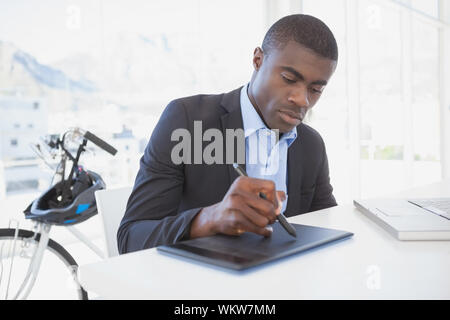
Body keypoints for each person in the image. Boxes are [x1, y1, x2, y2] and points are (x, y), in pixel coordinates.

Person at [117, 14, 338, 253]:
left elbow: (328, 227)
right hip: (202, 285)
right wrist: (209, 218)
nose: (302, 100)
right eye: (288, 79)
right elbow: (131, 238)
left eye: (315, 90)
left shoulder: (311, 144)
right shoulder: (188, 122)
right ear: (257, 60)